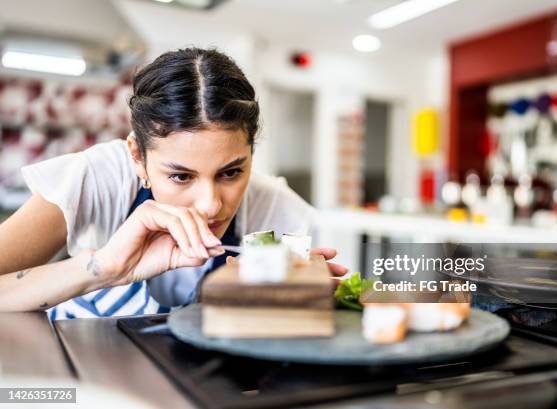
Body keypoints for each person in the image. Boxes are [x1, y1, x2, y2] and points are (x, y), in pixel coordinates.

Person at [0, 47, 347, 319]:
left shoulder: (276, 209)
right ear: (138, 156)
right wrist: (105, 269)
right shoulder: (100, 177)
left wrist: (290, 302)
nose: (211, 205)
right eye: (181, 176)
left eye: (231, 172)